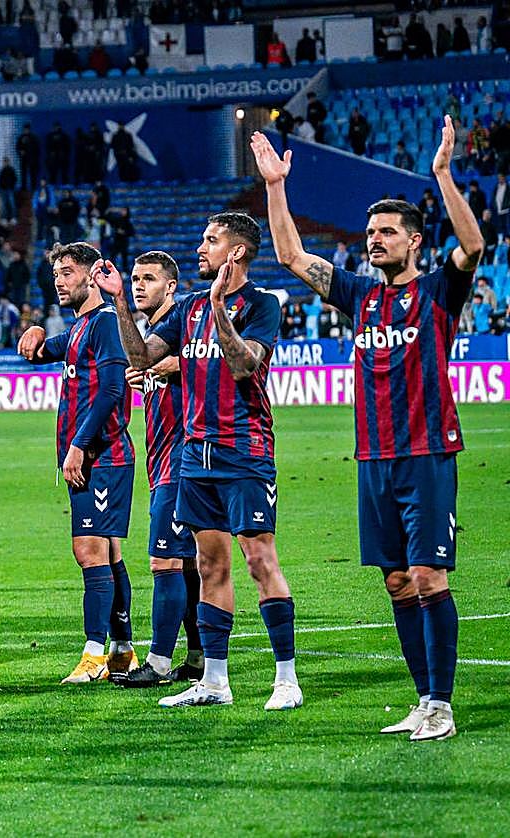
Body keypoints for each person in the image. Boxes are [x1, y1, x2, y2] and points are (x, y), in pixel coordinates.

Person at [252, 116, 482, 741]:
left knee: (430, 575)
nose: (374, 240)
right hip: (372, 458)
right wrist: (277, 186)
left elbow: (474, 245)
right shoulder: (360, 295)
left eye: (387, 233)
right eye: (371, 232)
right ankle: (422, 699)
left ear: (414, 241)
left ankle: (442, 702)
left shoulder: (438, 291)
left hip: (427, 452)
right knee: (398, 580)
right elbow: (291, 256)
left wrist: (442, 174)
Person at [102, 211, 302, 711]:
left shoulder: (261, 306)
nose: (200, 248)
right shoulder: (187, 307)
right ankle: (214, 681)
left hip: (245, 452)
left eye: (210, 241)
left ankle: (286, 680)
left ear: (235, 252)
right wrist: (122, 304)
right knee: (209, 565)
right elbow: (142, 357)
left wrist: (219, 311)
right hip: (196, 455)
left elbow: (243, 364)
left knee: (259, 561)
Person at [17, 242, 137, 685]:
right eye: (56, 274)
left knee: (88, 550)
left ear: (91, 276)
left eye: (68, 272)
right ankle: (123, 650)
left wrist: (78, 445)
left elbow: (111, 391)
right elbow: (44, 349)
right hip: (94, 457)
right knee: (107, 551)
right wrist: (31, 333)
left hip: (103, 455)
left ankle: (93, 655)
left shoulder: (105, 324)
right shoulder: (81, 327)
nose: (59, 281)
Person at [118, 252, 203, 688]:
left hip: (183, 460)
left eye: (148, 279)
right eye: (134, 278)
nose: (138, 285)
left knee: (164, 561)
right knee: (185, 564)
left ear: (171, 287)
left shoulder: (187, 324)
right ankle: (198, 655)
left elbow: (209, 362)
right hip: (161, 459)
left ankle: (159, 662)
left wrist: (177, 366)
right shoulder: (152, 336)